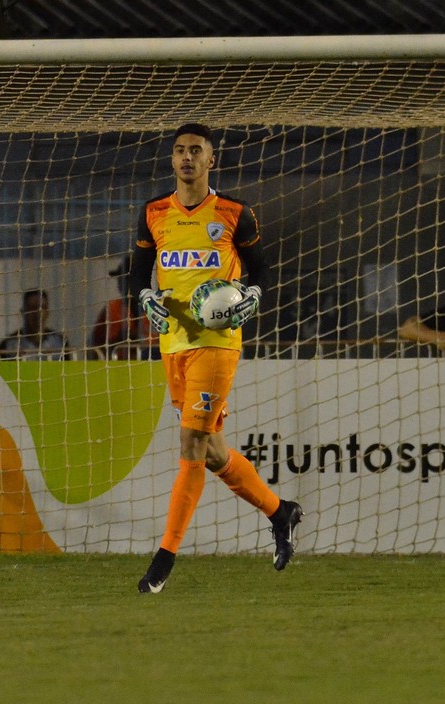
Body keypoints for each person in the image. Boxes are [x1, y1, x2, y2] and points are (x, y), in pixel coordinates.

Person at [129, 122, 302, 593]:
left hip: (218, 342)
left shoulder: (233, 213)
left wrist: (253, 295)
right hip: (173, 343)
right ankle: (280, 512)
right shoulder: (153, 212)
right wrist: (144, 298)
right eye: (179, 150)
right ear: (172, 160)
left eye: (196, 150)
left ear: (211, 160)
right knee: (212, 452)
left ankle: (163, 560)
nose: (187, 157)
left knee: (190, 446)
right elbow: (138, 274)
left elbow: (260, 268)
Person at [90, 255, 154, 358]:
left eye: (124, 279)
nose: (120, 283)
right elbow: (96, 345)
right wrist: (120, 339)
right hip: (118, 364)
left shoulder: (155, 308)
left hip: (152, 362)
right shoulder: (112, 309)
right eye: (120, 279)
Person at [0, 288, 70, 360]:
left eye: (43, 307)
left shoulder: (59, 342)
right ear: (23, 312)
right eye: (32, 308)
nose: (38, 313)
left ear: (48, 312)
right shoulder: (9, 345)